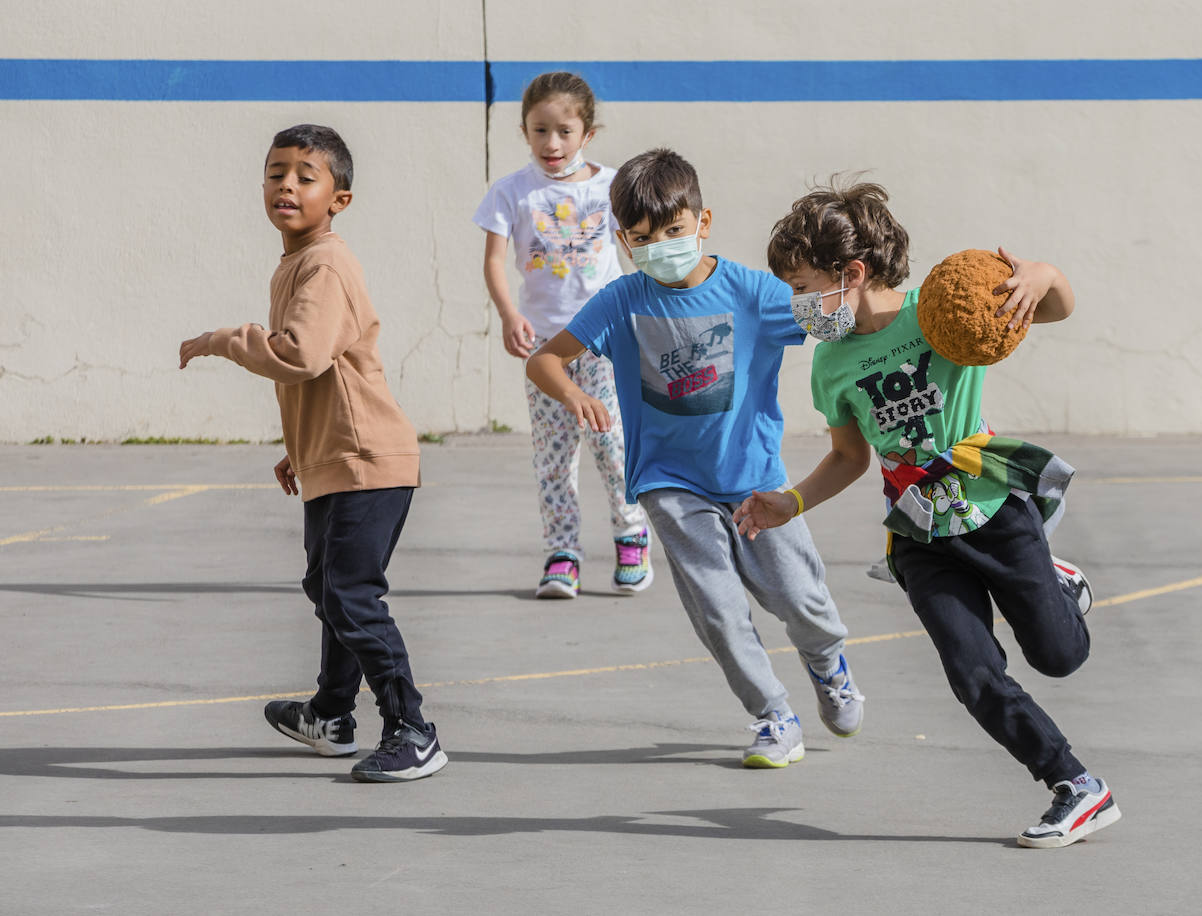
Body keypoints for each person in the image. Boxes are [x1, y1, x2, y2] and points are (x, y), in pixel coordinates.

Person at [737, 181, 1119, 846]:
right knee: (973, 675)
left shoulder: (942, 309)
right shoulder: (831, 363)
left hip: (992, 507)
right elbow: (849, 457)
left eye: (803, 287)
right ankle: (1076, 785)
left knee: (1059, 657)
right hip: (918, 531)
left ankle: (1058, 585)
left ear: (852, 273)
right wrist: (790, 502)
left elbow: (1055, 306)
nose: (798, 305)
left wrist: (1042, 275)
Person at [526, 148, 864, 768]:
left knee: (800, 599)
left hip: (755, 479)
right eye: (642, 238)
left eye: (673, 231)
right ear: (623, 240)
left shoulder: (754, 292)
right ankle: (773, 715)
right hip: (669, 481)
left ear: (702, 222)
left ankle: (827, 665)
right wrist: (574, 394)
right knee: (718, 608)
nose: (659, 247)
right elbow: (544, 359)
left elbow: (835, 323)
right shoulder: (621, 301)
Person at [178, 124, 447, 783]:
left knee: (351, 594)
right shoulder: (298, 263)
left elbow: (301, 356)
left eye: (305, 176)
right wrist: (302, 448)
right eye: (276, 174)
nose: (287, 186)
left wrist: (221, 339)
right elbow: (327, 377)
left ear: (339, 199)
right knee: (329, 590)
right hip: (337, 458)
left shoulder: (325, 264)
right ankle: (330, 716)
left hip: (367, 460)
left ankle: (413, 731)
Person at [473, 71, 651, 599]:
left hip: (606, 339)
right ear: (524, 131)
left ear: (587, 134)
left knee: (612, 444)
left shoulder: (612, 187)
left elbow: (637, 251)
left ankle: (631, 536)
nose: (552, 143)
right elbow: (494, 260)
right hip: (546, 348)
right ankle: (562, 553)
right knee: (553, 455)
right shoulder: (511, 192)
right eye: (540, 130)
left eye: (565, 131)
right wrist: (509, 314)